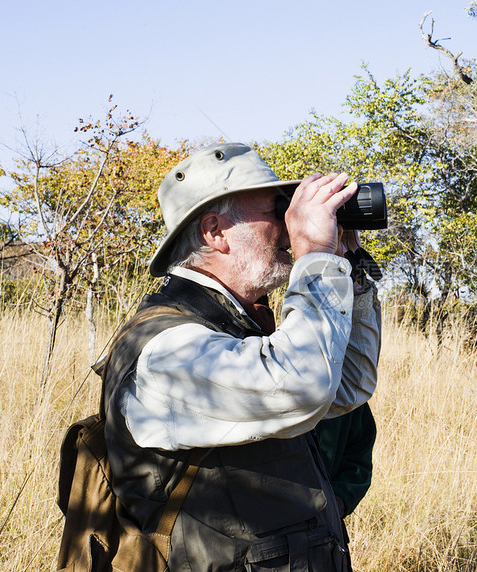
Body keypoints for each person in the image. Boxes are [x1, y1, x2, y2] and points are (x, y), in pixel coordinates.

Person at [101, 142, 381, 570]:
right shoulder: (165, 349)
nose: (291, 226)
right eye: (277, 210)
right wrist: (316, 258)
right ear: (214, 232)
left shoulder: (238, 327)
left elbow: (348, 385)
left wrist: (349, 263)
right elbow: (303, 387)